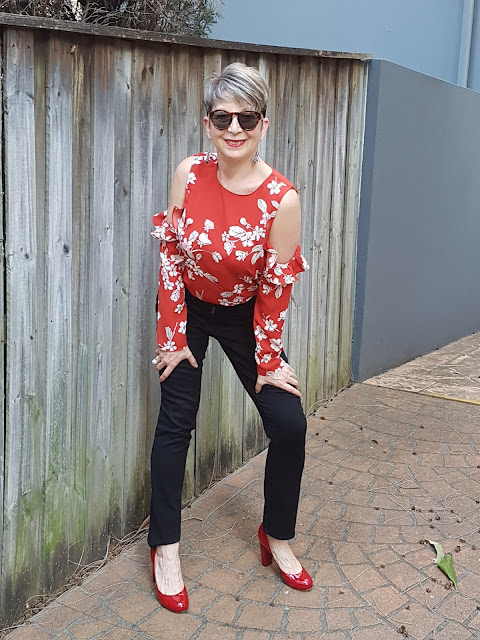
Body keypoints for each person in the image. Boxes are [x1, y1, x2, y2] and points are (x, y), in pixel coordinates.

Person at [148, 62, 312, 613]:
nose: (234, 127)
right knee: (176, 422)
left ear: (264, 124)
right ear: (208, 122)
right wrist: (173, 336)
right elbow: (172, 256)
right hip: (189, 308)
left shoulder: (281, 199)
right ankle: (165, 547)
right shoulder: (188, 175)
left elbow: (275, 286)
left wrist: (268, 360)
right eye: (223, 117)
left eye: (247, 117)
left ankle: (278, 535)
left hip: (247, 317)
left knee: (289, 424)